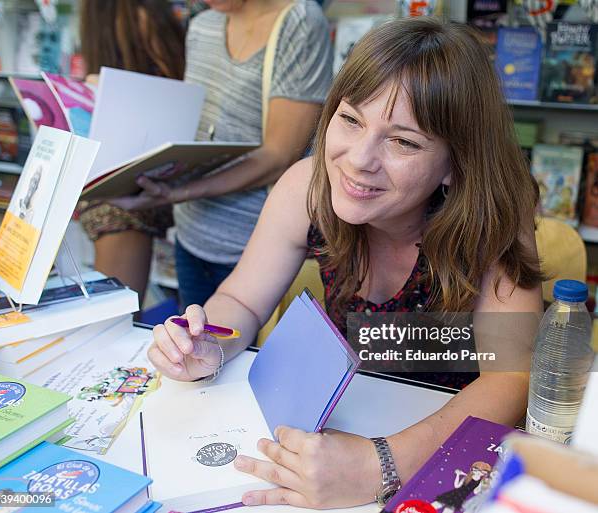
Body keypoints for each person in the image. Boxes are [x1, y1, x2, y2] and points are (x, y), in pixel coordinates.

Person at [147, 17, 543, 509]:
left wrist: (379, 464)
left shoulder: (494, 216)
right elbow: (241, 299)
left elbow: (511, 378)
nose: (359, 160)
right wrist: (208, 343)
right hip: (341, 420)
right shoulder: (307, 186)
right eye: (351, 119)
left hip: (447, 450)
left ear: (454, 164)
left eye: (403, 141)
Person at [112, 0, 333, 309]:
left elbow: (279, 155)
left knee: (241, 350)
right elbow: (196, 125)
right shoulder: (204, 24)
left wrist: (179, 191)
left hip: (256, 247)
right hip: (191, 235)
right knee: (193, 345)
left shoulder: (299, 22)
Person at [77, 0, 186, 306]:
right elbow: (178, 80)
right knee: (118, 311)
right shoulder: (144, 15)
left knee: (114, 305)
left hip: (107, 174)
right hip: (140, 175)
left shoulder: (98, 16)